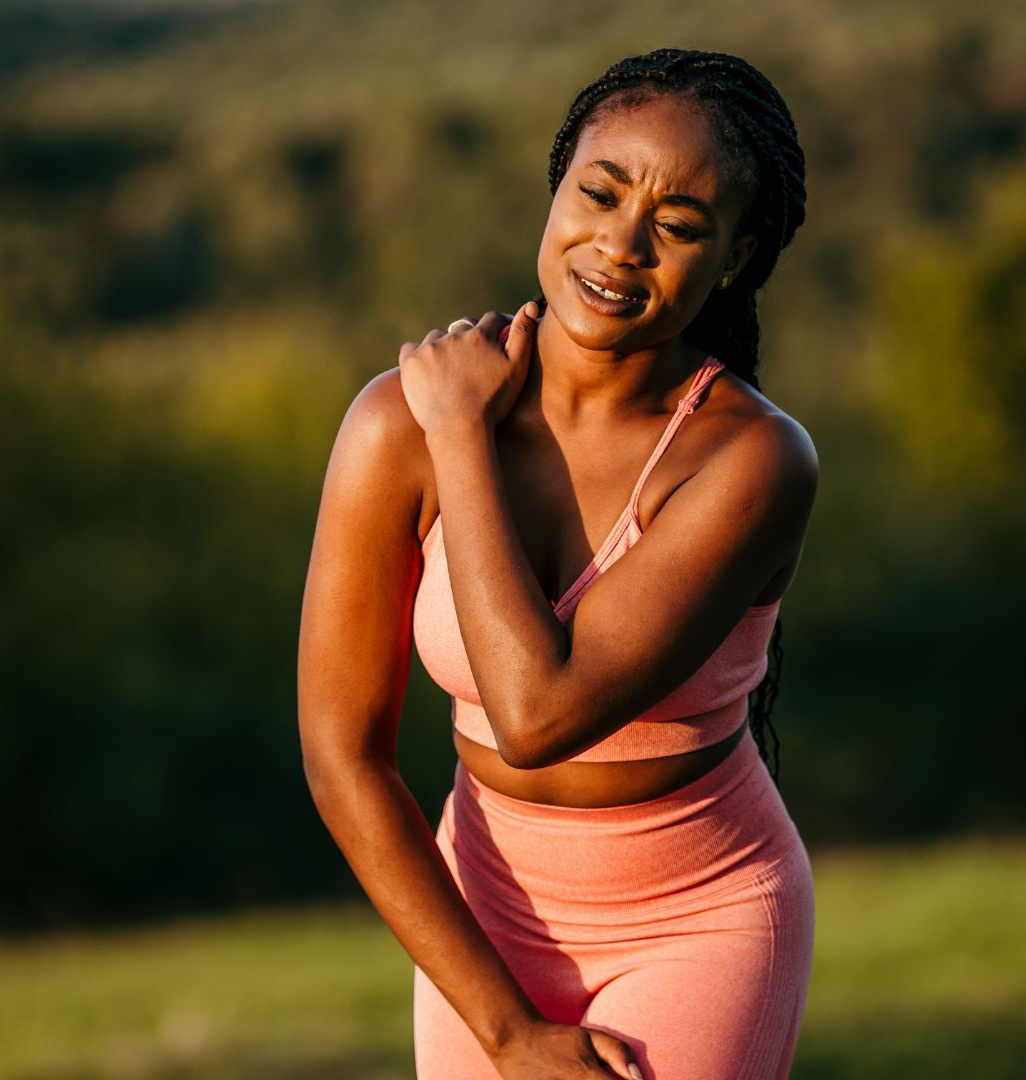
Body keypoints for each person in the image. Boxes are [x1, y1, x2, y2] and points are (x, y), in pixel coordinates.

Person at [298, 47, 818, 1079]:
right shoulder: (394, 424)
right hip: (482, 920)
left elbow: (537, 717)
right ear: (556, 185)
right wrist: (504, 1027)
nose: (621, 245)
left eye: (679, 226)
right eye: (600, 192)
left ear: (739, 256)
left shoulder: (752, 460)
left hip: (698, 924)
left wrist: (462, 436)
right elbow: (341, 755)